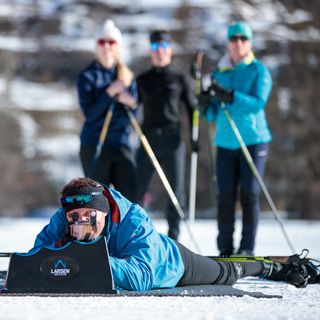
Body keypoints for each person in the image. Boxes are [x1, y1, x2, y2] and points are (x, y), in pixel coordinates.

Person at [30, 177, 318, 291]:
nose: (80, 222)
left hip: (173, 266)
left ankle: (270, 266)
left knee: (225, 272)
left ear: (102, 211)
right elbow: (37, 254)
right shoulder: (65, 216)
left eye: (87, 216)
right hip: (130, 261)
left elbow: (140, 277)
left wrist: (82, 257)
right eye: (73, 218)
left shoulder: (134, 219)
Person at [199, 21, 273, 256]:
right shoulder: (219, 73)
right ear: (228, 43)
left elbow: (258, 103)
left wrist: (231, 96)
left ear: (249, 43)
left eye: (243, 39)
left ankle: (247, 248)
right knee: (225, 197)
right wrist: (203, 104)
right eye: (234, 39)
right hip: (225, 142)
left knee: (249, 193)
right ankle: (225, 250)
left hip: (253, 140)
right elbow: (211, 113)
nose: (238, 43)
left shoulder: (258, 70)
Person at [136, 30, 197, 240]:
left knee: (175, 192)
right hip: (147, 139)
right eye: (155, 48)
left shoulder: (180, 78)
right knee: (138, 191)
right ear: (151, 51)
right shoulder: (142, 79)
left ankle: (174, 238)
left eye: (163, 47)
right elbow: (133, 105)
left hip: (173, 138)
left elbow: (193, 109)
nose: (159, 52)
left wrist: (194, 138)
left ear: (170, 50)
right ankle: (137, 236)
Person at [77, 19, 138, 202]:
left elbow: (133, 115)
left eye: (111, 42)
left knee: (130, 200)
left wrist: (129, 101)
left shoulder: (126, 76)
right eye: (101, 42)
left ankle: (126, 231)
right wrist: (109, 93)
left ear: (117, 46)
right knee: (97, 201)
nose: (106, 46)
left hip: (121, 143)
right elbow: (90, 114)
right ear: (96, 46)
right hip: (95, 143)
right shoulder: (87, 76)